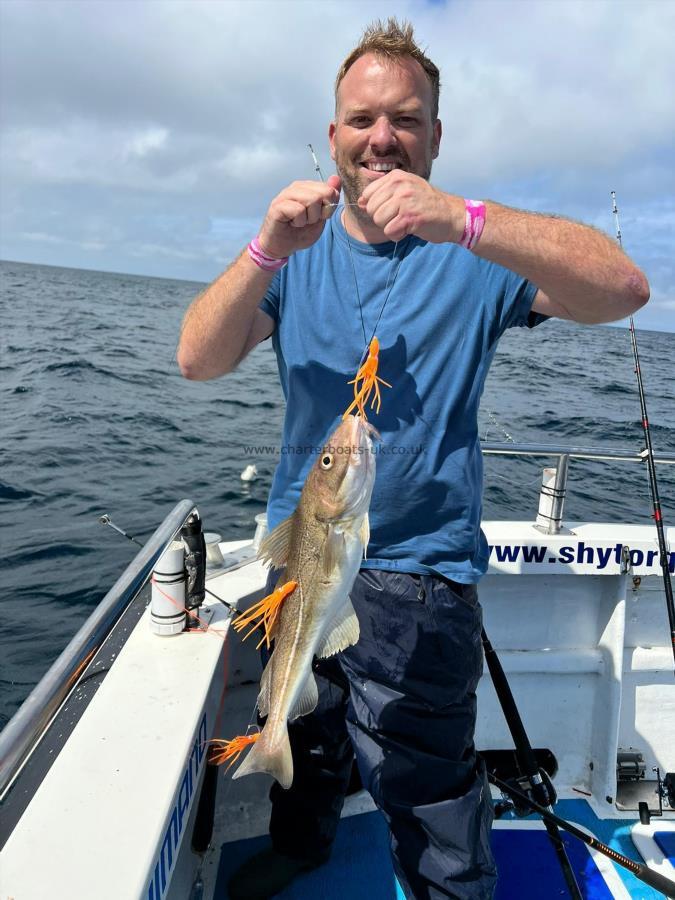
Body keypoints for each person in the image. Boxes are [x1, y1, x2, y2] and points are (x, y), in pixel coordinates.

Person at [177, 18, 648, 900]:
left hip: (422, 575)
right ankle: (304, 843)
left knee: (426, 791)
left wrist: (465, 220)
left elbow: (623, 289)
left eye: (405, 119)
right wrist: (264, 247)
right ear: (332, 136)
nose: (381, 137)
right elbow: (197, 360)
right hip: (302, 551)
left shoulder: (472, 256)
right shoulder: (295, 254)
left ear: (435, 137)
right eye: (361, 120)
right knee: (307, 740)